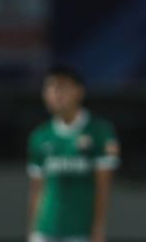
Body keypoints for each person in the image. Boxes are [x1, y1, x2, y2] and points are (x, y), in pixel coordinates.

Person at [27, 65, 120, 242]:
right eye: (50, 88)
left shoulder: (100, 132)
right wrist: (32, 230)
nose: (56, 93)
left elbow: (103, 187)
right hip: (45, 229)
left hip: (81, 232)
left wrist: (98, 229)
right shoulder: (40, 136)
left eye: (62, 86)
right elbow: (37, 189)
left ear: (79, 91)